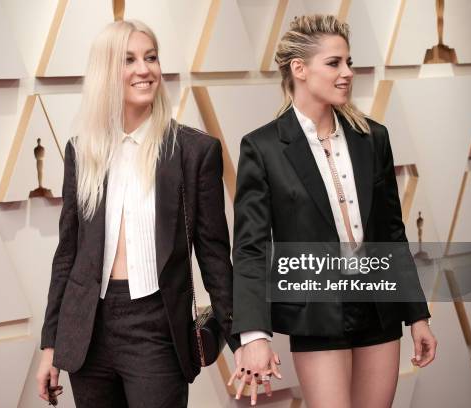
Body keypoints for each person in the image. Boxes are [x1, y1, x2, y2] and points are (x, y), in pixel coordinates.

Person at [230, 15, 437, 407]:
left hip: (378, 306)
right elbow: (251, 248)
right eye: (334, 63)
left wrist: (418, 317)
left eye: (349, 62)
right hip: (316, 309)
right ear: (299, 68)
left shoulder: (372, 137)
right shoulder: (263, 148)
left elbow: (391, 234)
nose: (347, 73)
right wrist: (253, 334)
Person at [36, 20, 240, 407]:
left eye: (151, 57)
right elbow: (67, 255)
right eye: (128, 60)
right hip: (88, 331)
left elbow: (214, 256)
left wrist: (242, 340)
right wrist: (50, 347)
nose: (144, 69)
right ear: (106, 72)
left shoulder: (194, 152)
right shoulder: (82, 152)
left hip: (156, 326)